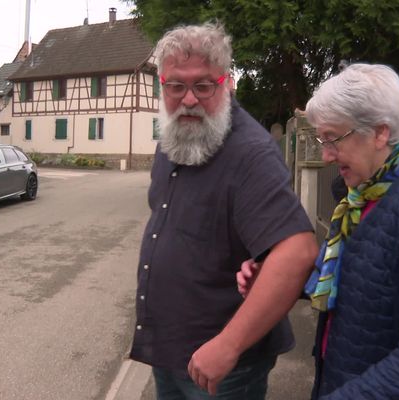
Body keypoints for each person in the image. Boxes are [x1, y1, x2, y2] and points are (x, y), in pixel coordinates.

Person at [238, 63, 399, 399]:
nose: (326, 155)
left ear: (380, 132)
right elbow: (353, 277)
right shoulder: (362, 194)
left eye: (333, 139)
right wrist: (272, 276)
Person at [129, 22, 319, 399]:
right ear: (162, 85)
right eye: (176, 86)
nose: (188, 99)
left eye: (202, 85)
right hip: (170, 350)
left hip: (223, 368)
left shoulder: (250, 153)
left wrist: (228, 345)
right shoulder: (174, 137)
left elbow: (297, 252)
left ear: (226, 83)